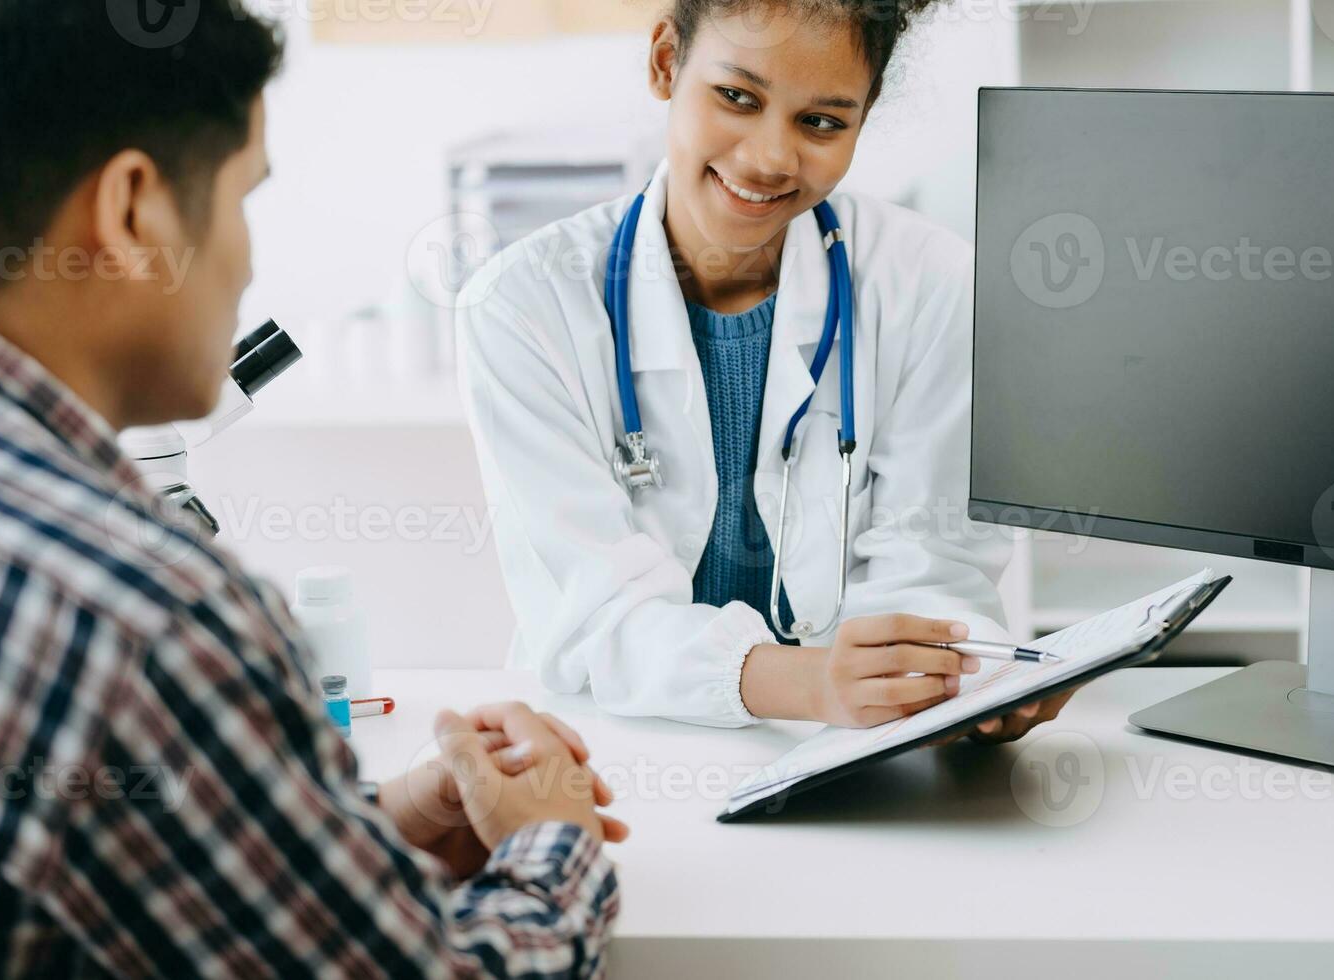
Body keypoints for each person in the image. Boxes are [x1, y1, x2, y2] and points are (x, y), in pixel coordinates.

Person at [0, 2, 623, 975]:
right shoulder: (140, 616)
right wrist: (548, 837)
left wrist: (344, 832)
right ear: (133, 211)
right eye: (241, 201)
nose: (249, 259)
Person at [457, 0, 1070, 738]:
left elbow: (933, 569)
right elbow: (595, 617)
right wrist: (805, 683)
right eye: (738, 98)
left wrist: (955, 687)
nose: (770, 159)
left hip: (847, 755)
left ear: (862, 122)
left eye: (822, 123)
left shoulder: (932, 284)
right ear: (664, 62)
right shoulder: (523, 304)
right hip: (613, 747)